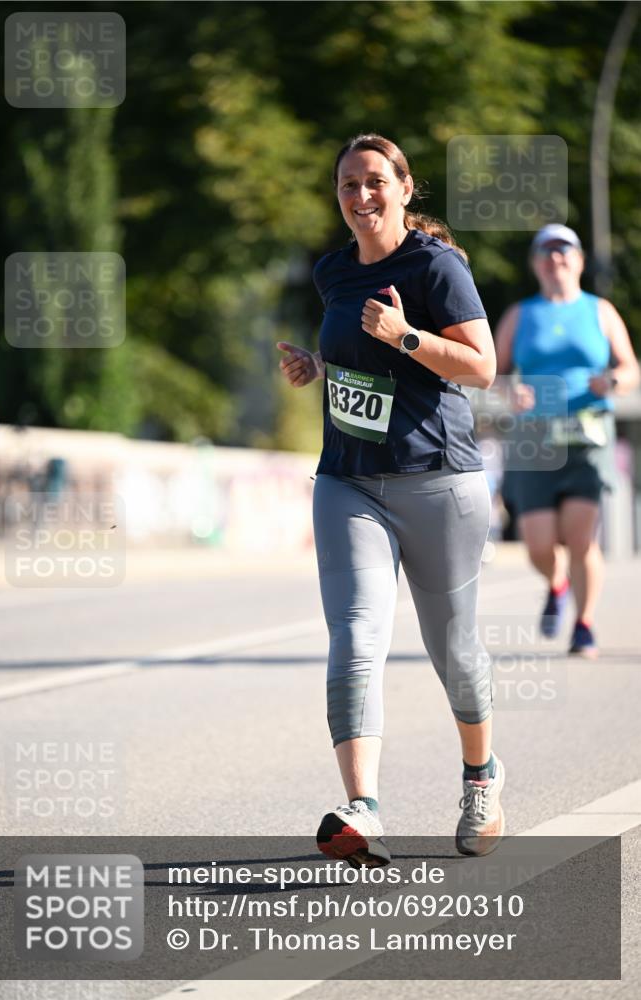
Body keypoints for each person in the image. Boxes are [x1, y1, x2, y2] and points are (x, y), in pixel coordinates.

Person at [277, 133, 501, 866]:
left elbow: (481, 368)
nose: (361, 195)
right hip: (347, 480)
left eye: (375, 180)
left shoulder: (436, 267)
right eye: (348, 184)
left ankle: (480, 776)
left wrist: (407, 337)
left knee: (454, 651)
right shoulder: (332, 271)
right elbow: (358, 354)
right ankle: (362, 807)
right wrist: (319, 366)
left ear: (405, 188)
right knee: (354, 636)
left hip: (438, 481)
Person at [494, 224, 639, 658]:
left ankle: (584, 624)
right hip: (534, 437)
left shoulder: (600, 311)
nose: (555, 259)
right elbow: (492, 372)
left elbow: (630, 368)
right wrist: (509, 390)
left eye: (564, 251)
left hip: (587, 434)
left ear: (578, 260)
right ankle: (556, 583)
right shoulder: (520, 314)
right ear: (535, 263)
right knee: (538, 543)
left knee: (581, 539)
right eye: (546, 252)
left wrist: (613, 380)